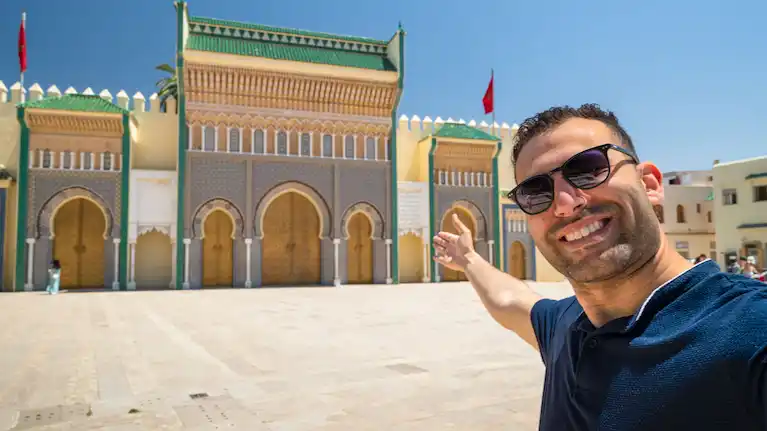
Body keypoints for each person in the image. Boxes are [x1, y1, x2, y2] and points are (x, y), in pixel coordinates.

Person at [432, 104, 767, 430]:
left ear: (649, 184)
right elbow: (509, 300)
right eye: (535, 193)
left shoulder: (751, 329)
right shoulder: (566, 329)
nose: (565, 204)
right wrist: (468, 259)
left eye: (588, 169)